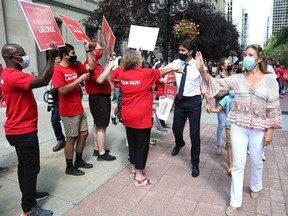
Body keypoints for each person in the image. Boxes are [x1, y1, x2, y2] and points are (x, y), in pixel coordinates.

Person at [195, 44, 282, 216]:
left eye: (250, 55)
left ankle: (256, 185)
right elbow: (217, 84)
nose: (246, 57)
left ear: (259, 59)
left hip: (259, 127)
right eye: (245, 54)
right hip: (237, 125)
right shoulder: (238, 78)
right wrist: (202, 71)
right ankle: (235, 201)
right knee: (238, 163)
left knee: (257, 161)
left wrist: (270, 130)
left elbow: (273, 107)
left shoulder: (270, 79)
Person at [1, 42, 59, 215]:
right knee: (31, 169)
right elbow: (43, 80)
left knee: (24, 167)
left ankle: (29, 194)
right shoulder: (13, 75)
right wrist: (51, 57)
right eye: (22, 53)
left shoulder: (8, 73)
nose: (25, 56)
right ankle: (29, 209)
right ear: (11, 58)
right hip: (23, 130)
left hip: (17, 129)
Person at [120, 50, 181, 186]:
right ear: (137, 61)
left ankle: (134, 170)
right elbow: (162, 71)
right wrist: (174, 68)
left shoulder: (123, 74)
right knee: (142, 146)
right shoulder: (145, 73)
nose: (142, 60)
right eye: (140, 58)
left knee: (132, 144)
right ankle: (140, 177)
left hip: (128, 114)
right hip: (141, 116)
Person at [52, 43, 94, 176]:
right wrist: (79, 80)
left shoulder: (74, 67)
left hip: (79, 109)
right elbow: (63, 90)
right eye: (72, 53)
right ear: (64, 55)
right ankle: (69, 167)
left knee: (84, 134)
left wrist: (88, 50)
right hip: (68, 111)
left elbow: (91, 66)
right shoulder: (58, 70)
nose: (74, 56)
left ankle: (79, 160)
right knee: (71, 138)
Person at [167, 39, 203, 178]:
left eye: (183, 51)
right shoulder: (176, 63)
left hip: (194, 102)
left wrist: (208, 100)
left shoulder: (198, 65)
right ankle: (179, 143)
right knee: (176, 129)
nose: (180, 53)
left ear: (190, 52)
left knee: (194, 135)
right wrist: (170, 69)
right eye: (179, 50)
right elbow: (160, 71)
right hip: (180, 101)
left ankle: (195, 164)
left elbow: (206, 82)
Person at [85, 40, 116, 161]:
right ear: (92, 51)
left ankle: (98, 148)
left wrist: (107, 67)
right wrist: (109, 67)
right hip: (99, 98)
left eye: (102, 50)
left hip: (98, 98)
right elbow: (99, 79)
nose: (101, 52)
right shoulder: (91, 64)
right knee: (102, 126)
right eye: (99, 50)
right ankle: (101, 154)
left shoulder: (95, 63)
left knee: (97, 124)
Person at [209, 91, 235, 174]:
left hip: (237, 125)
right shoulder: (227, 98)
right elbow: (218, 108)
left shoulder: (242, 97)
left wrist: (210, 110)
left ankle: (231, 165)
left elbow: (217, 109)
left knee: (231, 146)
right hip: (230, 125)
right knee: (231, 146)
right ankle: (230, 165)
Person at [213, 58, 233, 156]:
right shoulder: (217, 78)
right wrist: (227, 91)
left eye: (230, 63)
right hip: (220, 105)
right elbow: (214, 93)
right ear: (222, 66)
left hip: (231, 106)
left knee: (230, 126)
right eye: (228, 63)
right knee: (221, 125)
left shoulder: (232, 76)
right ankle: (219, 145)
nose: (230, 65)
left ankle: (228, 143)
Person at [49, 56, 66, 152]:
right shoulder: (51, 70)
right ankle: (61, 140)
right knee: (54, 120)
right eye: (55, 59)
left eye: (59, 58)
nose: (57, 61)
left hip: (65, 97)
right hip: (56, 99)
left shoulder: (66, 69)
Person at [110, 59, 123, 125]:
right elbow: (111, 78)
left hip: (123, 88)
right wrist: (119, 80)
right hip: (117, 88)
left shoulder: (124, 70)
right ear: (120, 63)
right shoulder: (116, 70)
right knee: (119, 104)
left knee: (123, 103)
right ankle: (114, 116)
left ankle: (120, 117)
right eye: (122, 62)